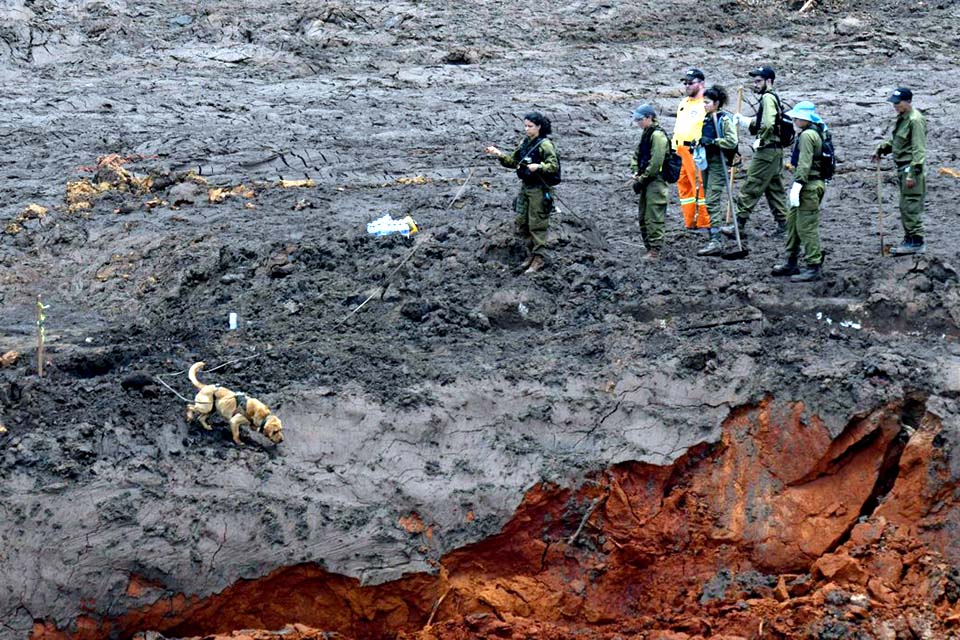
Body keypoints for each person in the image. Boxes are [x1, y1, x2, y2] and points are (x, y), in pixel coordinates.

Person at [484, 111, 560, 274]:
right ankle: (531, 255)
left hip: (540, 189)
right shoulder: (525, 142)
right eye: (525, 126)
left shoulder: (545, 145)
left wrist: (539, 167)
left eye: (530, 126)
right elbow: (514, 161)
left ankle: (539, 258)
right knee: (522, 221)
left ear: (539, 127)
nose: (526, 129)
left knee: (537, 223)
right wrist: (499, 154)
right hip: (526, 187)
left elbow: (553, 166)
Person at [728, 65, 789, 238]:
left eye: (758, 81)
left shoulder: (768, 98)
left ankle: (738, 226)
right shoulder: (773, 98)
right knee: (774, 189)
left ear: (768, 81)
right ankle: (784, 226)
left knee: (751, 184)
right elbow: (766, 120)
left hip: (766, 151)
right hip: (775, 152)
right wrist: (746, 122)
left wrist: (761, 138)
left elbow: (768, 123)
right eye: (754, 81)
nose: (755, 84)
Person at [771, 101, 827, 282]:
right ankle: (791, 262)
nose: (794, 119)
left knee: (806, 227)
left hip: (808, 186)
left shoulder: (807, 136)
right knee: (793, 223)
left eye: (797, 117)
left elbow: (805, 163)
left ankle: (814, 265)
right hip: (808, 184)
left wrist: (798, 184)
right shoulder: (815, 132)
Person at [873, 87, 927, 255]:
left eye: (898, 103)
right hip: (903, 169)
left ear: (907, 101)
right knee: (905, 206)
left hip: (911, 170)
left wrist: (912, 173)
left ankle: (916, 242)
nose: (895, 106)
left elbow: (918, 150)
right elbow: (898, 141)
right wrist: (882, 148)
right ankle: (909, 239)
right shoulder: (903, 118)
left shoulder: (915, 120)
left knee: (910, 206)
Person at [696, 85, 739, 256]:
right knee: (707, 198)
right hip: (707, 162)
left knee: (712, 200)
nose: (704, 105)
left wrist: (714, 142)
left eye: (707, 102)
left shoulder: (724, 120)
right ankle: (714, 236)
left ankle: (716, 241)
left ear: (717, 103)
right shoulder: (707, 118)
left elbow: (732, 142)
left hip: (718, 163)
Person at [630, 104, 670, 261]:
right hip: (647, 179)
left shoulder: (658, 136)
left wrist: (642, 178)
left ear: (649, 118)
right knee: (643, 215)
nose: (637, 123)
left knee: (653, 215)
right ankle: (650, 247)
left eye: (639, 119)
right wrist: (636, 170)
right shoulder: (647, 133)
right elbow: (638, 154)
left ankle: (654, 251)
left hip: (656, 181)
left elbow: (656, 163)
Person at [674, 68, 710, 230]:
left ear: (701, 84)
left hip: (694, 151)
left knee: (700, 186)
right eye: (685, 83)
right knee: (684, 186)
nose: (687, 86)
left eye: (691, 83)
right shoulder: (684, 103)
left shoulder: (706, 104)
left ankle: (704, 221)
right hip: (679, 150)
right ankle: (689, 221)